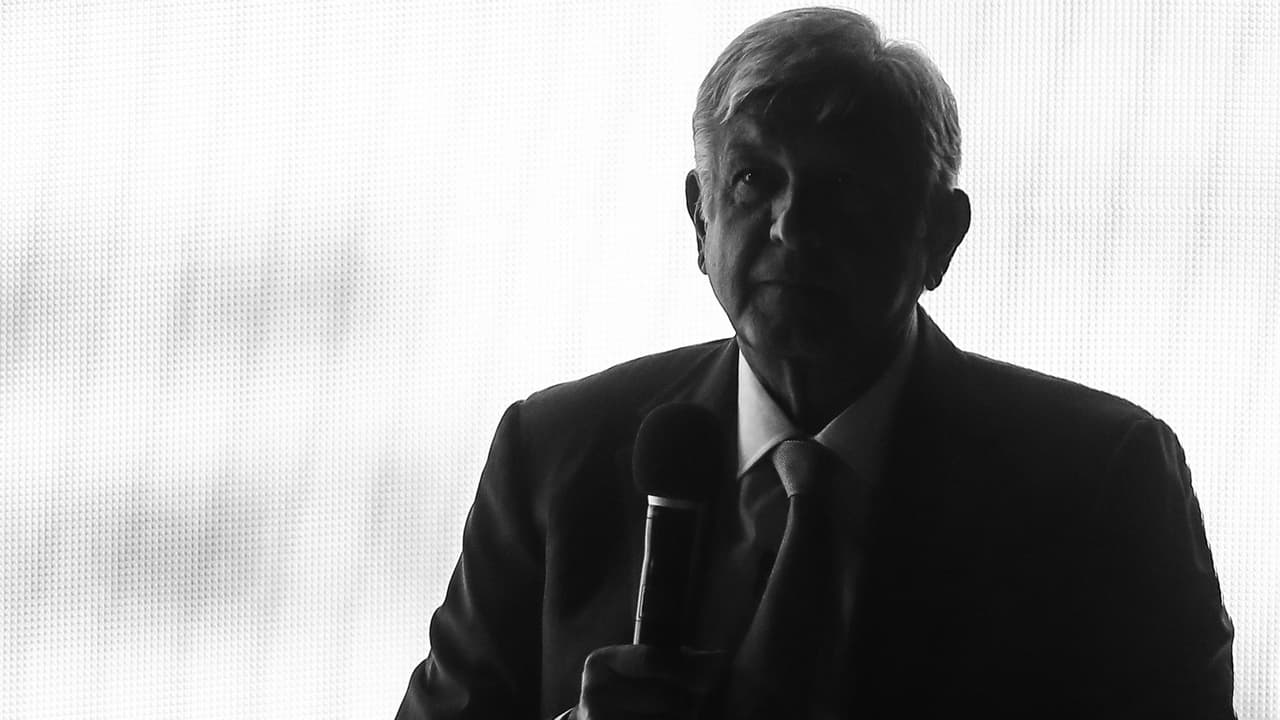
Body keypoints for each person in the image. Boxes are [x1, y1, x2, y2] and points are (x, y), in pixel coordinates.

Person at [396, 7, 1236, 719]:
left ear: (940, 236)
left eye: (845, 188)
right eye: (752, 179)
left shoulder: (1102, 483)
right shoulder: (551, 456)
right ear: (699, 217)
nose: (792, 225)